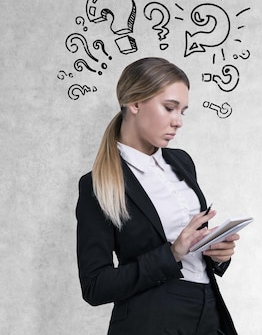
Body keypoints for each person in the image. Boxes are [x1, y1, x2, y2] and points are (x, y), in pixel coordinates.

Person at [76, 57, 239, 335]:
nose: (178, 122)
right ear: (135, 103)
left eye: (183, 111)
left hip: (207, 308)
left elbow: (193, 247)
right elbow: (95, 286)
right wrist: (172, 253)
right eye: (169, 108)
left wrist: (216, 254)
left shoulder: (182, 162)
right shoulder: (98, 184)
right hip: (152, 317)